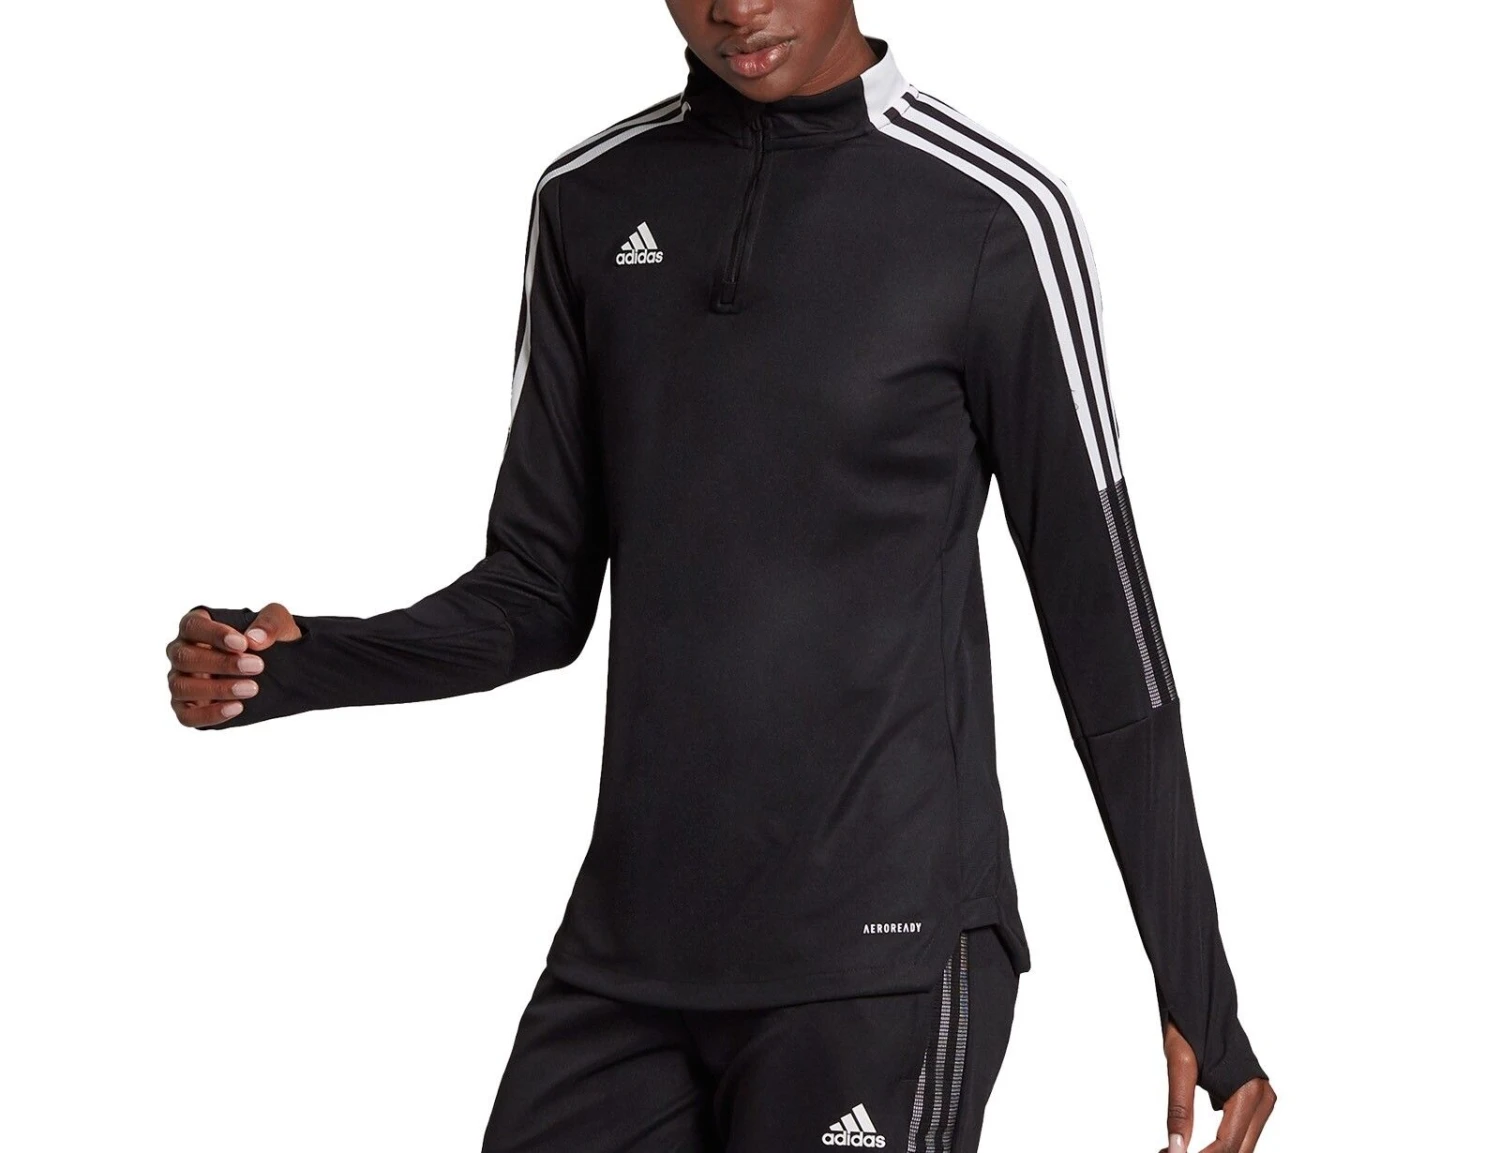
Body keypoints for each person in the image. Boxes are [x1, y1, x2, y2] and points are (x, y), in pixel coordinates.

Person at [165, 2, 1276, 1149]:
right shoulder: (591, 201)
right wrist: (300, 665)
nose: (733, 8)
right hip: (630, 957)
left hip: (880, 956)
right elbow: (536, 591)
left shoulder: (990, 214)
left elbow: (1104, 633)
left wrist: (1194, 979)